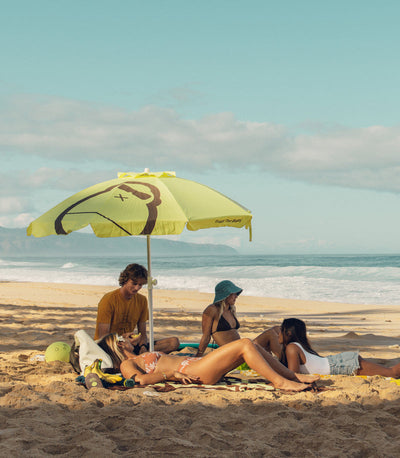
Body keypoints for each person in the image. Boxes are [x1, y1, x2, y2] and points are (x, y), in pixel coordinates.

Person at [98, 333, 320, 391]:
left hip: (196, 364)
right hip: (193, 371)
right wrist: (171, 375)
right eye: (123, 338)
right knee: (244, 344)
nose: (129, 338)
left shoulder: (140, 354)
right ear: (118, 346)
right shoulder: (128, 364)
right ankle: (280, 382)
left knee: (253, 345)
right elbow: (140, 381)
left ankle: (292, 376)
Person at [94, 263, 179, 354]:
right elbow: (103, 336)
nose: (137, 288)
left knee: (174, 342)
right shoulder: (108, 300)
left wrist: (142, 346)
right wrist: (122, 339)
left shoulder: (142, 300)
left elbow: (142, 333)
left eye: (140, 284)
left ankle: (139, 356)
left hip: (131, 345)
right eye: (134, 283)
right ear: (125, 280)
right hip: (111, 346)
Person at [279, 318, 400, 378]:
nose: (278, 334)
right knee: (390, 372)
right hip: (339, 362)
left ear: (288, 333)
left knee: (392, 372)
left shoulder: (292, 348)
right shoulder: (296, 346)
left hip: (341, 365)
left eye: (280, 331)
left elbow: (293, 375)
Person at [196, 280, 281, 357]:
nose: (236, 296)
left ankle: (281, 360)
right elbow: (206, 336)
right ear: (225, 294)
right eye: (234, 294)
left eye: (236, 294)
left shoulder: (231, 309)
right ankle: (284, 362)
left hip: (242, 348)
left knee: (277, 329)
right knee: (271, 334)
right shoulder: (212, 310)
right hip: (232, 353)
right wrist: (198, 355)